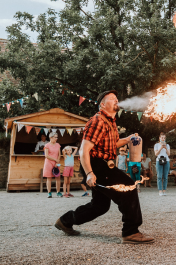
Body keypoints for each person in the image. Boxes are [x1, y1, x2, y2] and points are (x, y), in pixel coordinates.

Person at [56, 90, 153, 244]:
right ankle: (130, 232)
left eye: (117, 98)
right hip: (97, 166)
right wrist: (89, 173)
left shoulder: (110, 121)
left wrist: (127, 139)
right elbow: (84, 150)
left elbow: (111, 145)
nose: (117, 100)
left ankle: (65, 221)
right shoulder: (97, 121)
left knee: (100, 206)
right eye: (112, 99)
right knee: (128, 188)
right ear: (102, 104)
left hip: (102, 165)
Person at [43, 132, 62, 198]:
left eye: (57, 137)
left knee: (58, 177)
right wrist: (55, 160)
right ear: (51, 137)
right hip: (49, 162)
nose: (57, 138)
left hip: (56, 163)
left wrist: (57, 162)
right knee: (49, 178)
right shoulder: (47, 145)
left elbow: (59, 154)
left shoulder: (58, 145)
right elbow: (46, 155)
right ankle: (49, 192)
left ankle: (58, 192)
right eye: (55, 137)